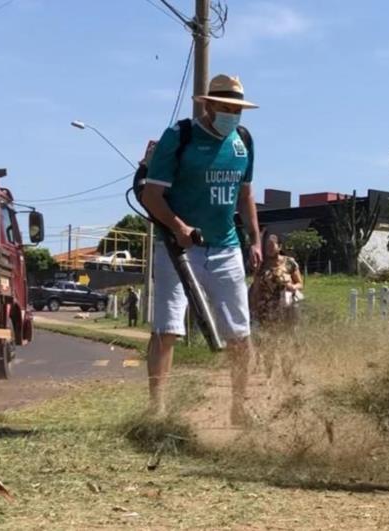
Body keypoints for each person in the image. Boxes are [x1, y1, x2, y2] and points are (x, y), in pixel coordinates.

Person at [141, 74, 261, 424]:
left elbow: (246, 194)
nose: (232, 115)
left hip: (225, 249)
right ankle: (157, 408)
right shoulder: (180, 138)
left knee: (240, 334)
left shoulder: (243, 141)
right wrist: (179, 228)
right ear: (208, 105)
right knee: (167, 330)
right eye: (225, 108)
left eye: (237, 109)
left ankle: (239, 406)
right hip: (178, 250)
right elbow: (151, 195)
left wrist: (254, 239)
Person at [250, 233, 304, 328]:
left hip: (286, 305)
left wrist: (292, 287)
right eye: (267, 246)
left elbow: (300, 284)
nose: (269, 249)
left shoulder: (289, 263)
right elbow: (255, 288)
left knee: (288, 330)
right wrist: (254, 307)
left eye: (272, 246)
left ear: (279, 247)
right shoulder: (261, 266)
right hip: (266, 308)